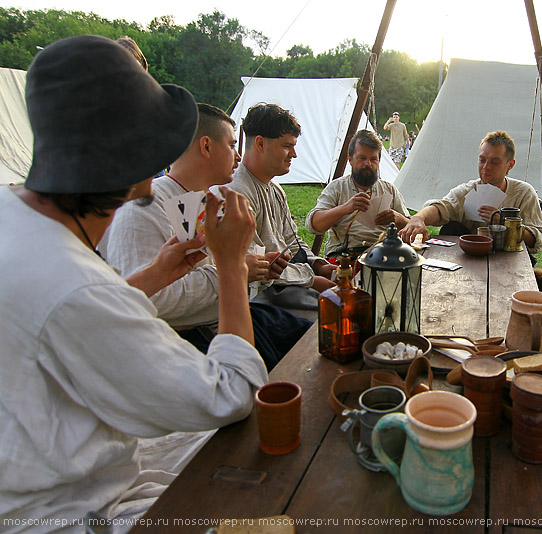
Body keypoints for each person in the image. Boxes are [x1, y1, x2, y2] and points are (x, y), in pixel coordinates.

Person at [0, 35, 268, 530]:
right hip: (66, 511)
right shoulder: (76, 286)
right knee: (261, 476)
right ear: (137, 156)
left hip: (31, 463)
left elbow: (58, 317)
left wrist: (150, 277)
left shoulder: (13, 215)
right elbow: (231, 394)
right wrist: (231, 265)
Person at [101, 103, 311, 370]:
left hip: (224, 321)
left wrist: (257, 264)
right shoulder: (145, 208)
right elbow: (151, 299)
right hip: (183, 340)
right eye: (232, 145)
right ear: (206, 147)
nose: (238, 156)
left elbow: (214, 263)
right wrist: (234, 271)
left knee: (311, 341)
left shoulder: (207, 200)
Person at [228, 103, 336, 318]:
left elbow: (292, 240)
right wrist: (313, 279)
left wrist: (317, 263)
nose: (293, 154)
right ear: (260, 143)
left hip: (290, 282)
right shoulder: (237, 193)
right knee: (333, 314)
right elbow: (257, 268)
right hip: (261, 295)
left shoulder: (276, 189)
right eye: (287, 146)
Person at [399, 130, 542, 254]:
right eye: (482, 160)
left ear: (510, 164)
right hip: (470, 260)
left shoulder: (523, 193)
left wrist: (504, 224)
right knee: (452, 229)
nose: (486, 167)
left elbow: (538, 238)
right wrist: (419, 218)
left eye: (494, 162)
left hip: (511, 261)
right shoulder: (468, 191)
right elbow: (441, 208)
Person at [306, 129, 410, 258]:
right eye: (362, 158)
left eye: (373, 159)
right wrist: (344, 208)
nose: (368, 164)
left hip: (382, 257)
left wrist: (398, 218)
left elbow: (411, 230)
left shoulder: (389, 190)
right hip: (343, 256)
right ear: (350, 159)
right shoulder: (337, 187)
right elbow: (314, 225)